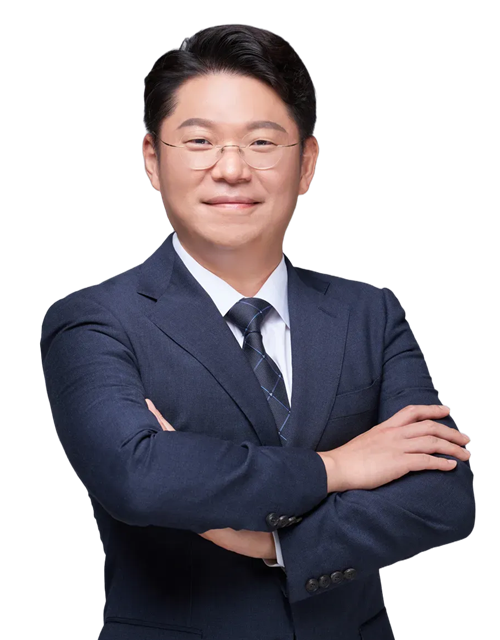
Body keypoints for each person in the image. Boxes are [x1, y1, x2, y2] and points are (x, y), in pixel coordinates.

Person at [40, 24, 475, 640]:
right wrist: (337, 467)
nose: (231, 169)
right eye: (200, 141)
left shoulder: (369, 313)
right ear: (152, 159)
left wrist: (273, 545)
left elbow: (444, 497)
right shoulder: (95, 320)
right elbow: (140, 477)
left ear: (307, 163)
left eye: (262, 142)